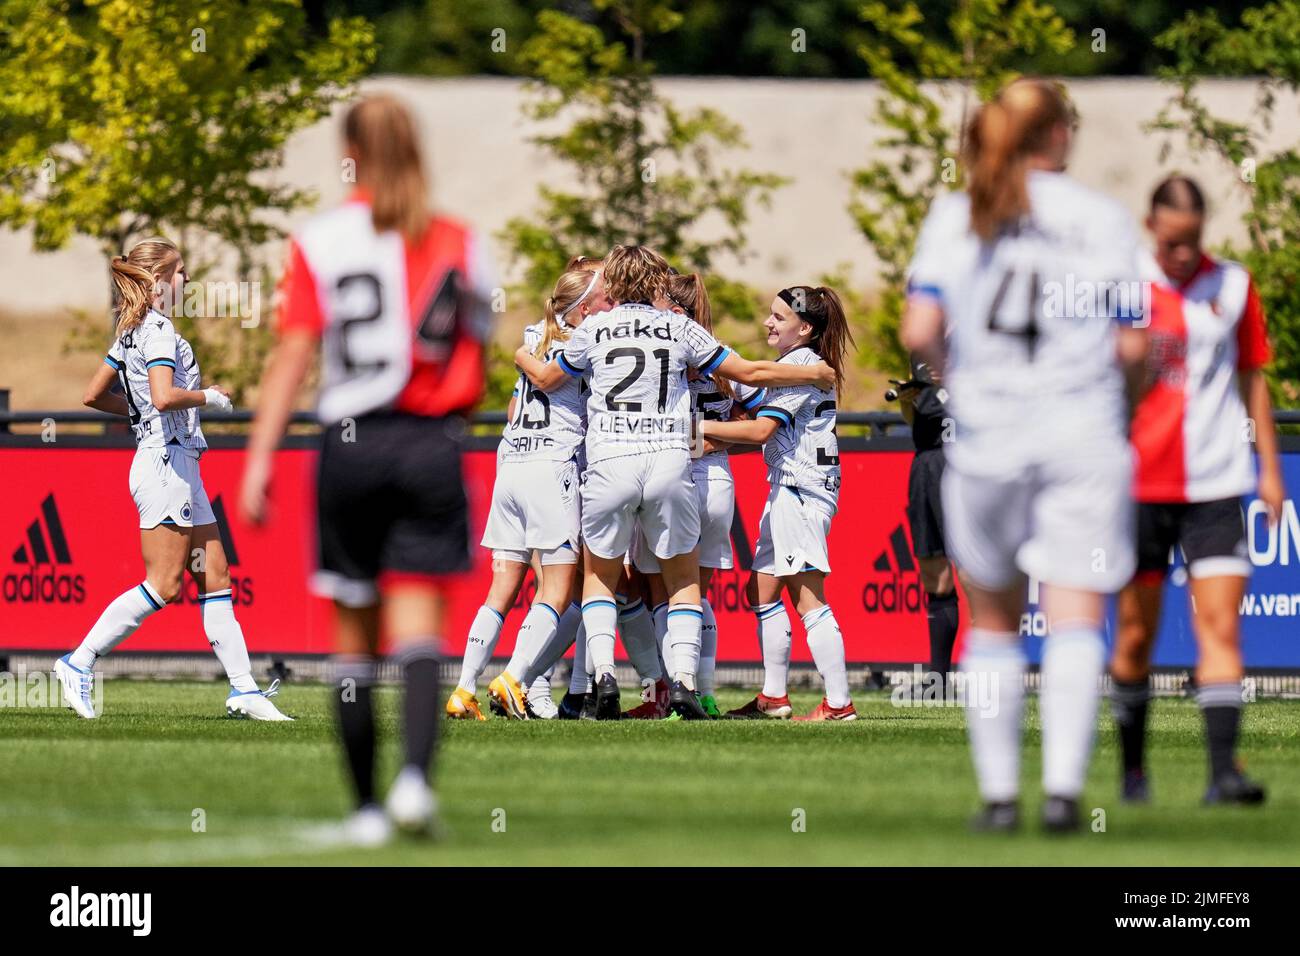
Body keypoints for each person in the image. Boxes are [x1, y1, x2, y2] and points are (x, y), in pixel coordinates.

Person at [239, 94, 496, 843]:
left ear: (348, 148)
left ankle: (364, 812)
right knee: (420, 631)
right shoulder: (462, 241)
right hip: (430, 443)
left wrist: (259, 456)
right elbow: (474, 358)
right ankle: (415, 785)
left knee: (353, 635)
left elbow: (294, 354)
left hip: (349, 446)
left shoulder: (319, 239)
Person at [900, 78, 1149, 833]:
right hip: (1080, 431)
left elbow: (919, 331)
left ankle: (1002, 798)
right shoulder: (1103, 218)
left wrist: (967, 380)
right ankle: (1067, 793)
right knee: (1074, 616)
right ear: (1060, 137)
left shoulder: (957, 213)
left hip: (990, 435)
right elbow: (1135, 341)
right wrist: (1120, 407)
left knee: (995, 622)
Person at [514, 245, 836, 720]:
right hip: (669, 461)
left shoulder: (596, 328)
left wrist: (521, 350)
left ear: (615, 284)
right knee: (683, 583)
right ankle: (684, 684)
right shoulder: (679, 326)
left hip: (610, 462)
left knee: (602, 582)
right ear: (654, 282)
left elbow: (547, 376)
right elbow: (747, 373)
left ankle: (603, 676)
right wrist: (814, 372)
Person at [57, 238, 289, 722]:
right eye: (180, 271)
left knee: (216, 577)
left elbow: (93, 395)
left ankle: (244, 690)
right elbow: (163, 397)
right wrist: (207, 396)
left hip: (176, 466)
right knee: (163, 585)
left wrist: (139, 409)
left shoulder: (131, 331)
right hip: (166, 466)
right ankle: (78, 661)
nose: (186, 279)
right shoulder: (158, 331)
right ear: (161, 280)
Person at [1109, 175, 1283, 806]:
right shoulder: (1123, 287)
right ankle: (1132, 775)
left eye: (1194, 242)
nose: (1184, 255)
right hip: (1139, 487)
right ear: (1152, 226)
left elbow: (1252, 377)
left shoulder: (1232, 285)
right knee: (1135, 636)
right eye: (1173, 241)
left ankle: (1222, 776)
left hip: (1215, 485)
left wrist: (1268, 471)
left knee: (1220, 629)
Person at [449, 266, 606, 720]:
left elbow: (517, 402)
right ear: (583, 308)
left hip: (511, 461)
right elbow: (548, 380)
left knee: (501, 590)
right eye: (602, 299)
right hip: (550, 466)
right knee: (559, 592)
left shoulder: (535, 332)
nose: (609, 307)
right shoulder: (587, 339)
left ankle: (463, 689)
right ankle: (515, 679)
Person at [702, 286, 856, 721]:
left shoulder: (800, 363)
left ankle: (839, 704)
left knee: (808, 598)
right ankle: (773, 697)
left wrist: (691, 428)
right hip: (790, 487)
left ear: (804, 328)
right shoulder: (798, 364)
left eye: (779, 317)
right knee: (761, 589)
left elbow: (759, 432)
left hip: (800, 490)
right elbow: (757, 412)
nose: (768, 323)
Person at [630, 271, 768, 718]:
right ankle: (701, 693)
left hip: (671, 478)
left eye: (658, 305)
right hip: (715, 481)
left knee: (663, 595)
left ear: (676, 310)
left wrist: (707, 440)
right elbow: (766, 420)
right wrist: (721, 441)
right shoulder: (721, 356)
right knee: (696, 594)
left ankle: (667, 695)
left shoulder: (661, 351)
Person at [896, 355, 960, 695]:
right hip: (927, 463)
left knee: (981, 574)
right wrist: (911, 398)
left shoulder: (980, 329)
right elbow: (918, 419)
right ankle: (940, 681)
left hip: (967, 461)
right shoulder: (922, 341)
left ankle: (997, 672)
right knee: (935, 572)